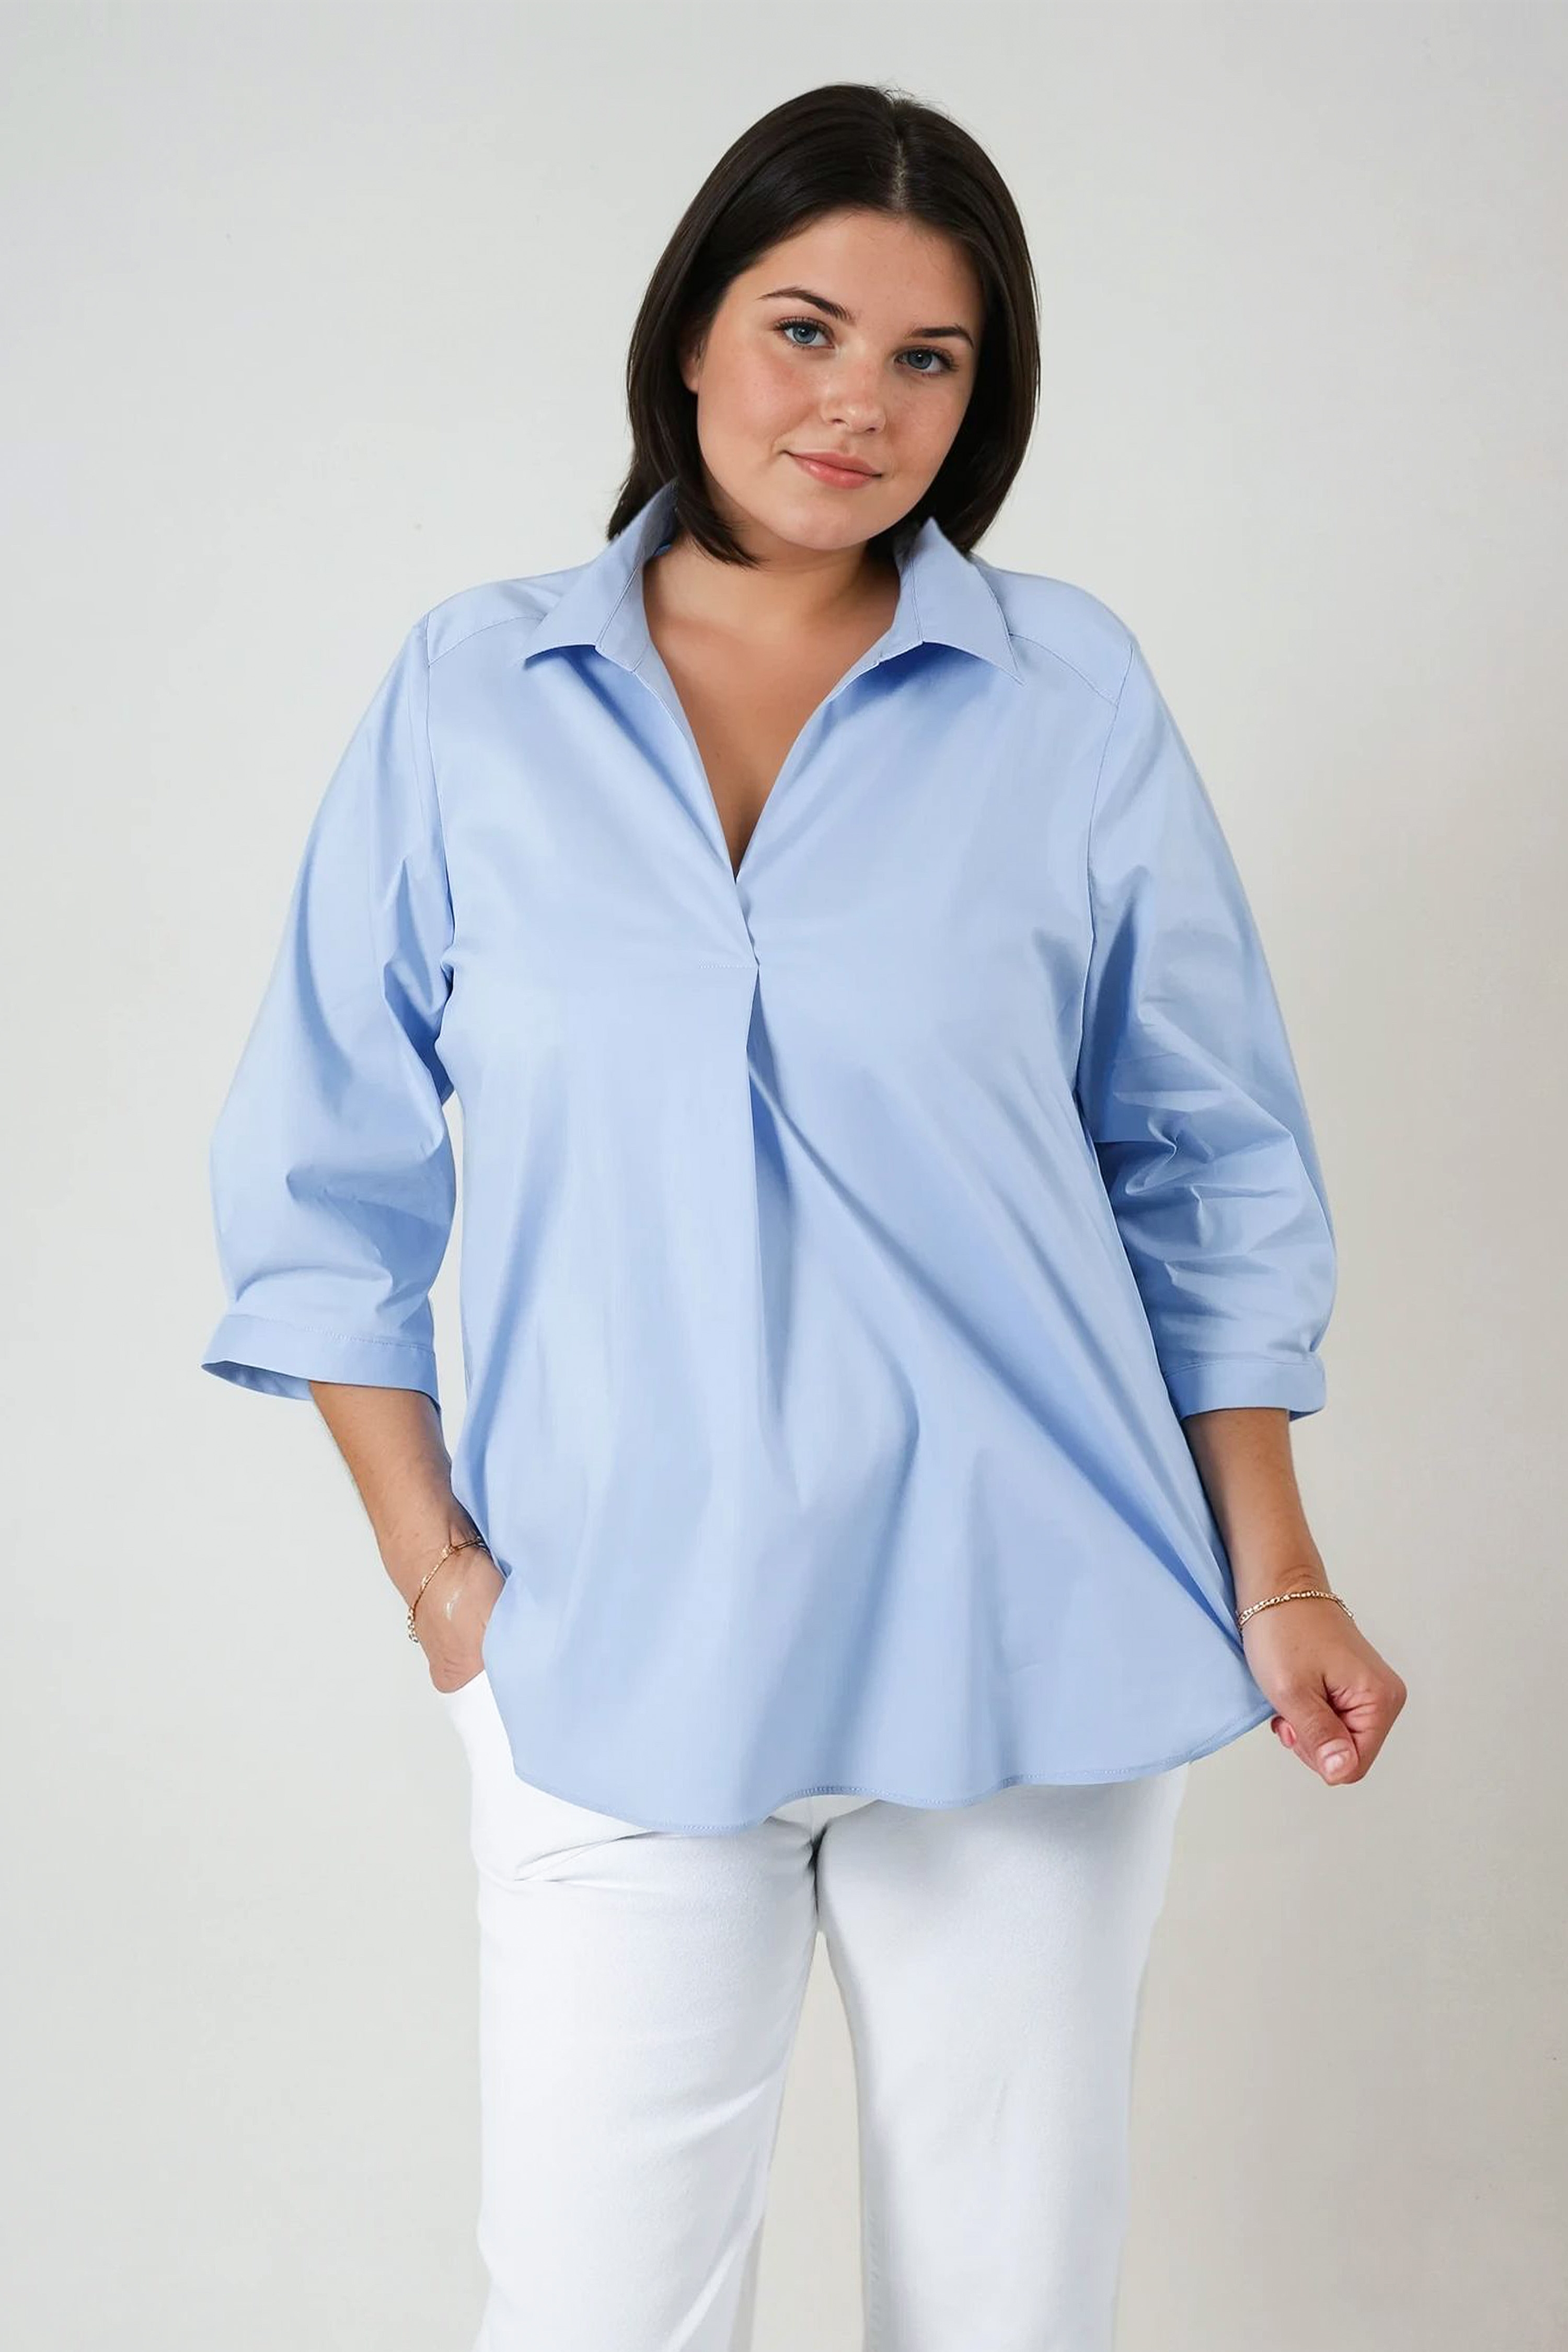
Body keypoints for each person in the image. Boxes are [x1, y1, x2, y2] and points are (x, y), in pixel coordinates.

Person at [199, 80, 1406, 2352]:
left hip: (1030, 1624)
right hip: (609, 1643)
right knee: (594, 2315)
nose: (859, 401)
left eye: (928, 357)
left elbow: (1209, 1156)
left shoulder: (1068, 695)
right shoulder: (472, 694)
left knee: (1005, 2316)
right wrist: (442, 1578)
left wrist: (1284, 1578)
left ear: (982, 394)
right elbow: (320, 1167)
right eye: (805, 327)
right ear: (691, 333)